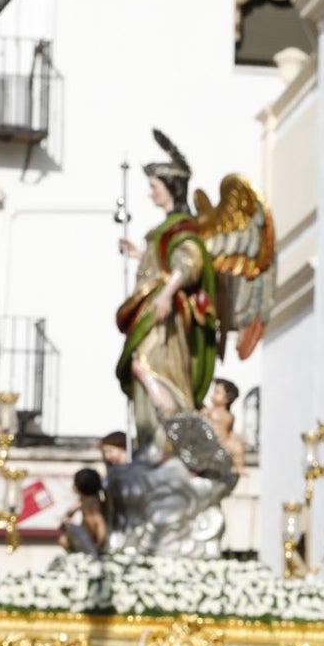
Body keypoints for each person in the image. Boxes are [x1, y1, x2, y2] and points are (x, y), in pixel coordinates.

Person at [115, 131, 217, 463]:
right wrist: (138, 254)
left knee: (149, 368)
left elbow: (188, 261)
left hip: (166, 318)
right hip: (152, 310)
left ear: (170, 188)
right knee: (141, 369)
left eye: (154, 187)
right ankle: (153, 443)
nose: (150, 193)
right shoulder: (165, 230)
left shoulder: (183, 228)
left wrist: (165, 295)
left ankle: (169, 441)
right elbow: (162, 262)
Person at [59, 468, 108, 553]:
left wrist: (95, 549)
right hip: (88, 544)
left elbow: (99, 524)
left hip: (92, 547)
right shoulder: (83, 503)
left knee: (63, 540)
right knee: (63, 540)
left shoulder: (92, 504)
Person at [204, 377, 246, 473]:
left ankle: (238, 468)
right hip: (210, 441)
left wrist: (237, 439)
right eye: (214, 392)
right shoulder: (209, 411)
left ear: (227, 398)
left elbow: (230, 431)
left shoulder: (230, 416)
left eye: (217, 392)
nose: (213, 395)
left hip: (224, 442)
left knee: (238, 448)